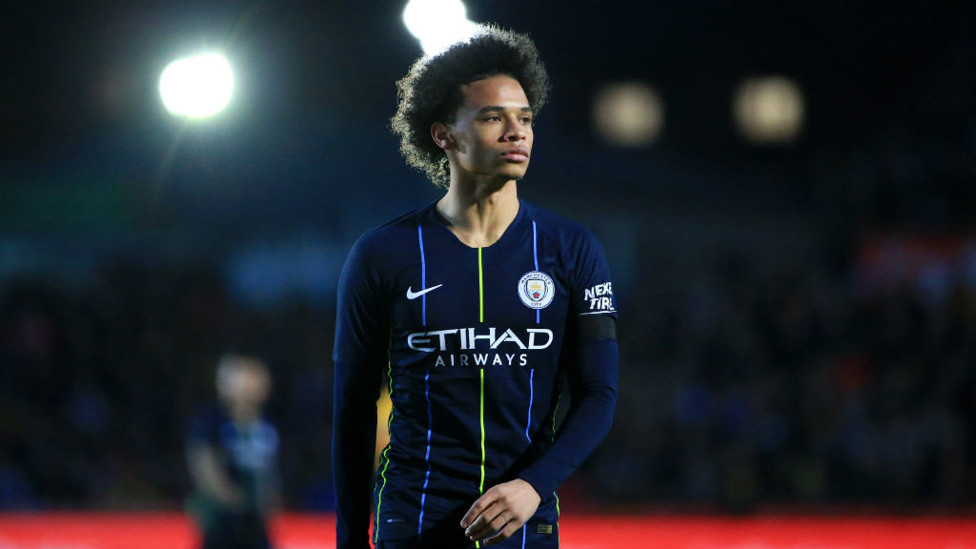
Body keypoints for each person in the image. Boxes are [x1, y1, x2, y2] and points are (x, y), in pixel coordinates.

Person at [332, 26, 618, 549]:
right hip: (415, 522)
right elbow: (353, 408)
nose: (517, 132)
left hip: (525, 526)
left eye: (525, 118)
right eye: (493, 118)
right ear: (444, 135)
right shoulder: (382, 254)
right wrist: (350, 541)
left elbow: (599, 395)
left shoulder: (573, 250)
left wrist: (534, 485)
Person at [187, 354, 280, 549]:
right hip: (221, 519)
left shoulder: (266, 424)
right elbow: (204, 463)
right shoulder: (212, 421)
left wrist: (268, 503)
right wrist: (229, 497)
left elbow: (269, 469)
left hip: (256, 520)